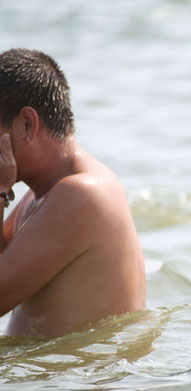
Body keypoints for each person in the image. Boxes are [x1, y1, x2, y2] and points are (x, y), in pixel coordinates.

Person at [0, 48, 145, 338]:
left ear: (27, 124)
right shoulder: (38, 196)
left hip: (77, 379)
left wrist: (0, 191)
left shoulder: (81, 194)